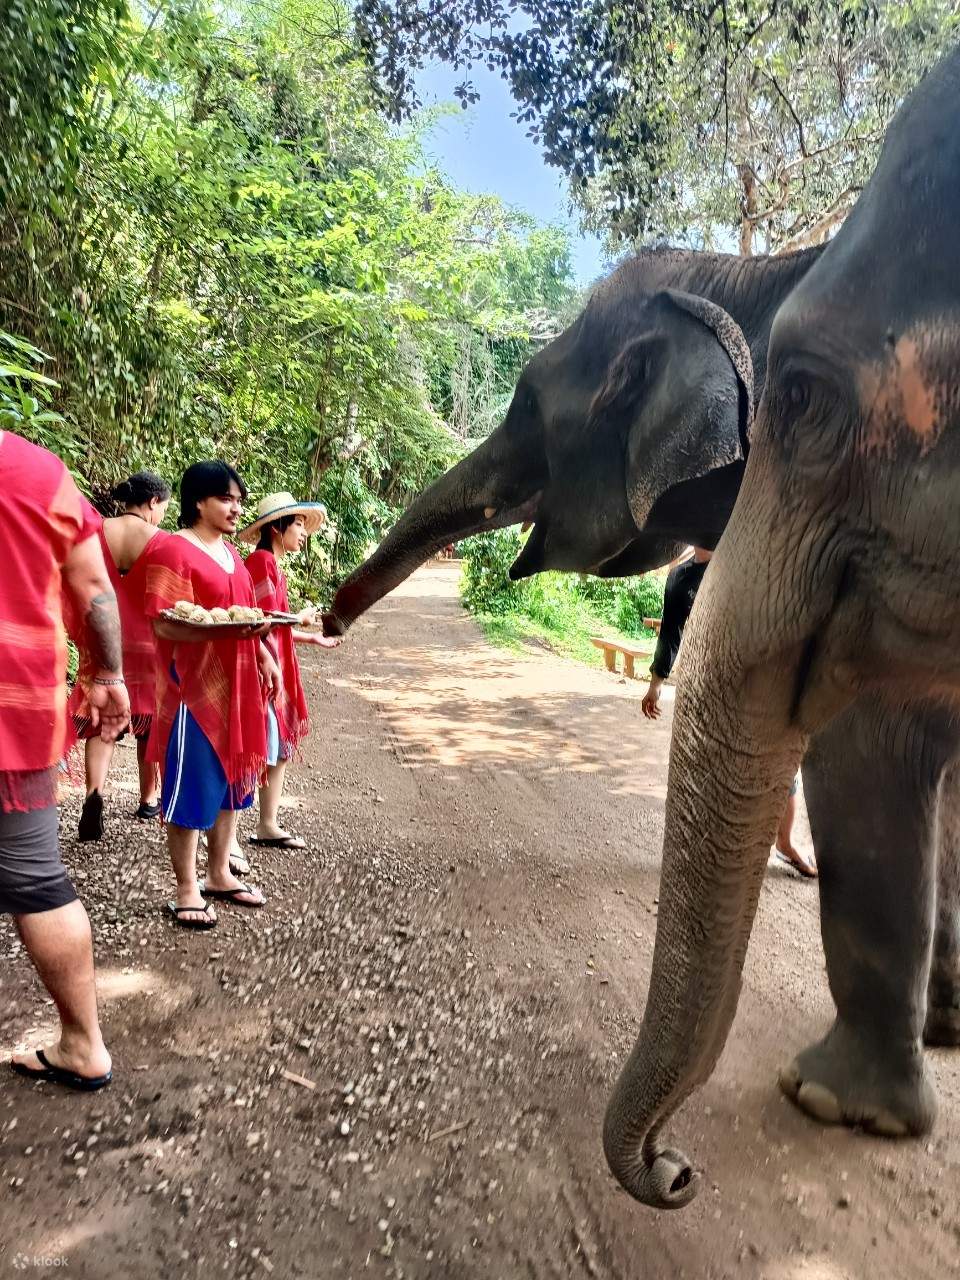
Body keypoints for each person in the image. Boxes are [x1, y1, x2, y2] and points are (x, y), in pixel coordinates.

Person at [2, 428, 129, 1090]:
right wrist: (107, 674)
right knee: (36, 879)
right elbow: (92, 586)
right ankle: (83, 1044)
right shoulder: (37, 471)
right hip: (17, 705)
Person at [145, 461, 281, 929]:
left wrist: (263, 654)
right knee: (193, 785)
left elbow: (245, 615)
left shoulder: (232, 555)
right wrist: (223, 632)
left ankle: (219, 872)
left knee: (232, 781)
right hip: (193, 687)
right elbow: (164, 622)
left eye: (239, 501)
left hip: (239, 686)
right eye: (226, 499)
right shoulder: (173, 549)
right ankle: (186, 887)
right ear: (198, 501)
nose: (236, 509)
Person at [641, 546, 816, 879]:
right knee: (710, 766)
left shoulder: (746, 559)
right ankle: (706, 847)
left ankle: (785, 842)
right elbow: (671, 633)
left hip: (760, 682)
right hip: (709, 690)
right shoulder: (680, 578)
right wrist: (656, 683)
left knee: (782, 765)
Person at [234, 494, 340, 861]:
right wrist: (300, 618)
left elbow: (277, 626)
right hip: (261, 668)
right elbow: (262, 621)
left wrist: (310, 637)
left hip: (276, 666)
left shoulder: (274, 565)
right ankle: (228, 839)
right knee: (257, 747)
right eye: (297, 524)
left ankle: (267, 823)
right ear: (276, 528)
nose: (303, 533)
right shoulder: (261, 562)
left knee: (277, 748)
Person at [70, 471, 171, 841]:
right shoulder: (162, 540)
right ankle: (148, 799)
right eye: (163, 508)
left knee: (102, 721)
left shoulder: (96, 531)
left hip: (103, 638)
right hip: (148, 642)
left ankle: (94, 794)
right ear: (153, 502)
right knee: (148, 720)